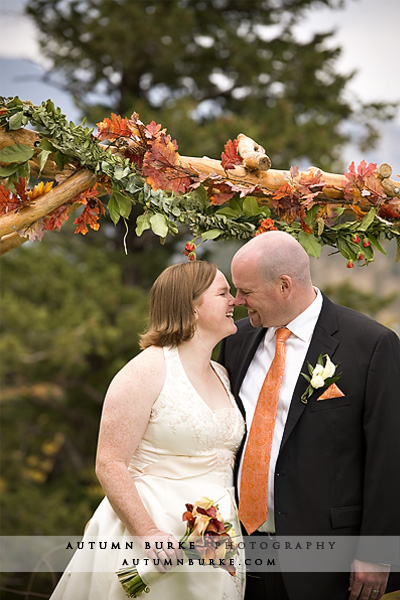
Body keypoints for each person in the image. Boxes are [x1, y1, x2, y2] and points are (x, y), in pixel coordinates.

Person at [218, 231, 400, 600]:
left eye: (246, 292)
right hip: (240, 552)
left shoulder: (371, 344)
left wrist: (378, 552)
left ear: (284, 285)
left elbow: (390, 456)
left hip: (327, 559)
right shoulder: (235, 341)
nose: (238, 302)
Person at [49, 261, 245, 600]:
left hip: (214, 537)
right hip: (153, 538)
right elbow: (110, 462)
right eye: (223, 293)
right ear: (192, 306)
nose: (234, 301)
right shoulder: (145, 371)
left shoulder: (222, 374)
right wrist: (147, 531)